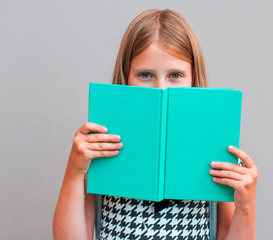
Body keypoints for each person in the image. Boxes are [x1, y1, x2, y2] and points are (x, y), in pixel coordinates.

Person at [53, 9, 258, 240]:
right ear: (126, 76)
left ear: (193, 79)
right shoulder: (100, 144)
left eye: (175, 75)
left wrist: (247, 206)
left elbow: (225, 234)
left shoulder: (214, 145)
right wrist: (74, 171)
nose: (161, 88)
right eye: (145, 75)